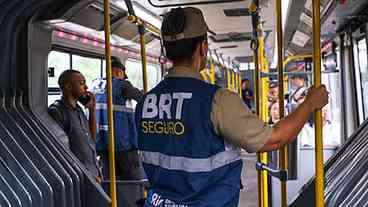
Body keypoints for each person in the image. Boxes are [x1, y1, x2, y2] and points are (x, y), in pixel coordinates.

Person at [134, 7, 328, 207]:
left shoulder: (144, 103)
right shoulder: (218, 100)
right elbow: (274, 139)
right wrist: (309, 103)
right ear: (203, 47)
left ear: (166, 50)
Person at [93, 57, 144, 180]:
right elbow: (143, 99)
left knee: (109, 180)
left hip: (102, 143)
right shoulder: (122, 85)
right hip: (123, 144)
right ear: (118, 72)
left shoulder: (95, 85)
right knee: (134, 182)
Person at [48, 69, 100, 181]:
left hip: (93, 173)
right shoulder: (57, 112)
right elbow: (61, 152)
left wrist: (92, 111)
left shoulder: (79, 110)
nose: (86, 87)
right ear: (68, 87)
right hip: (79, 176)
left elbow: (92, 138)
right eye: (82, 83)